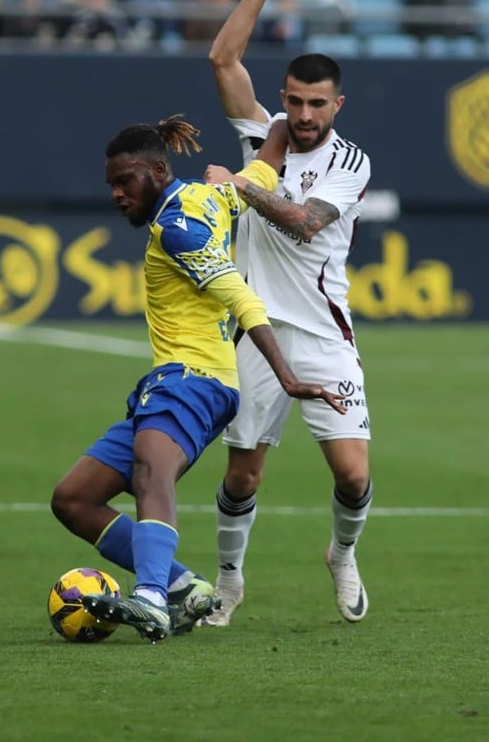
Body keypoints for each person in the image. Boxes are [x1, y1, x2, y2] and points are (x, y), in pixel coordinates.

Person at [49, 116, 345, 643]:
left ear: (159, 170)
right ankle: (184, 586)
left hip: (195, 379)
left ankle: (149, 597)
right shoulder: (212, 196)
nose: (118, 194)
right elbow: (265, 167)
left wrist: (289, 378)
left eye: (127, 181)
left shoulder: (177, 228)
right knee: (74, 499)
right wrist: (278, 125)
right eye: (112, 184)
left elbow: (241, 296)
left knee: (149, 477)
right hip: (171, 383)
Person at [203, 0, 375, 627]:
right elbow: (223, 61)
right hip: (254, 328)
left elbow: (305, 223)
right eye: (296, 102)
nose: (305, 116)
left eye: (317, 105)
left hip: (323, 334)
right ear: (284, 98)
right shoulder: (262, 134)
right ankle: (228, 580)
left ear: (338, 104)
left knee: (354, 475)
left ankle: (343, 553)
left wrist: (240, 186)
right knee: (243, 474)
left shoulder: (351, 162)